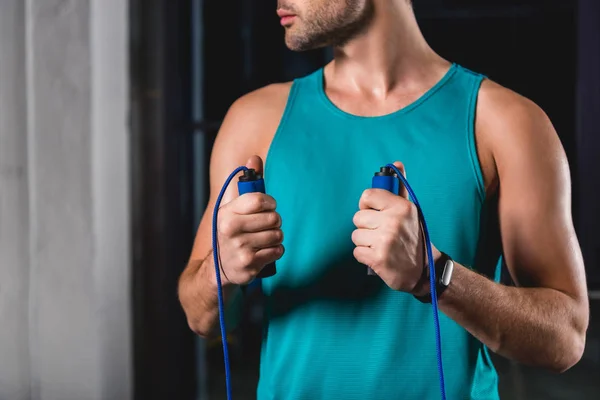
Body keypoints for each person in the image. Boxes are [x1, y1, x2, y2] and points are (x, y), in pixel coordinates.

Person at [178, 0, 590, 398]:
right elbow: (199, 316)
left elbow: (565, 338)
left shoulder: (505, 122)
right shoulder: (253, 120)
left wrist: (435, 276)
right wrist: (222, 270)